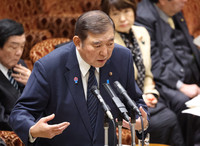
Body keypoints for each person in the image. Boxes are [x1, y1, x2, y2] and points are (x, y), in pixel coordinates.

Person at [9, 10, 149, 146]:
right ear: (77, 42)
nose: (105, 53)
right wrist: (32, 130)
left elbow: (135, 100)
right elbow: (21, 112)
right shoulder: (49, 66)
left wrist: (141, 121)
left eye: (110, 43)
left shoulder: (122, 58)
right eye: (97, 45)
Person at [101, 0, 184, 145]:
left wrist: (150, 92)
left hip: (142, 97)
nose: (122, 18)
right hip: (122, 102)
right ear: (107, 17)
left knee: (172, 114)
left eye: (126, 11)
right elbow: (111, 83)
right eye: (115, 13)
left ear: (134, 11)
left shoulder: (141, 32)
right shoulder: (108, 43)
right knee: (164, 121)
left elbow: (147, 72)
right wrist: (138, 98)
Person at [135, 0, 200, 145]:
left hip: (187, 72)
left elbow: (188, 44)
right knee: (184, 102)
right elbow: (153, 61)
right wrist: (180, 85)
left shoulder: (174, 9)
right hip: (164, 81)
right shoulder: (143, 16)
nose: (186, 1)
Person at [0, 19, 31, 131]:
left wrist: (34, 84)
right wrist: (33, 126)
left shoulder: (20, 65)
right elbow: (2, 120)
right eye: (13, 47)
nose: (19, 52)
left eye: (22, 47)